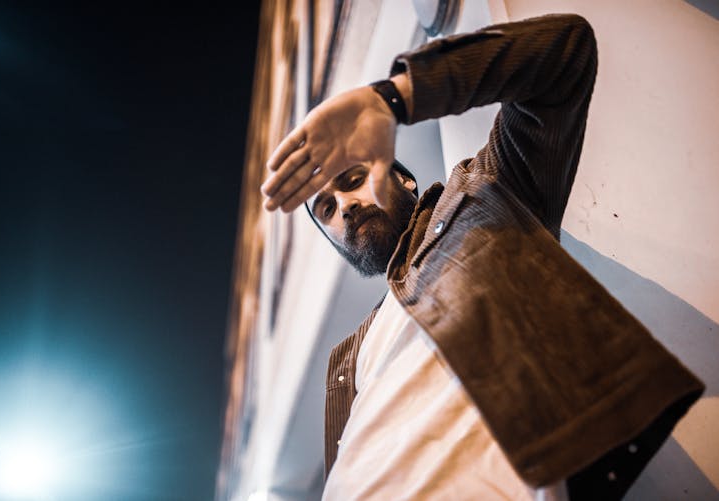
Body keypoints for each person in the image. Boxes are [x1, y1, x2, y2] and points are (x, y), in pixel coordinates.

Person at [261, 13, 703, 500]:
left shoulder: (484, 197)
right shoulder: (346, 357)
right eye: (326, 209)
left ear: (403, 178)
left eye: (350, 179)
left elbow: (564, 52)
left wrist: (393, 98)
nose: (344, 206)